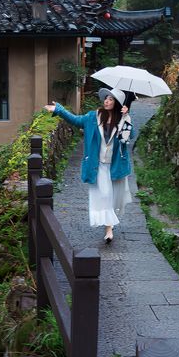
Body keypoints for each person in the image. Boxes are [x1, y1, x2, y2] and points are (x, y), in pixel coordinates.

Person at [44, 88, 133, 243]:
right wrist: (59, 110)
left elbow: (127, 139)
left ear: (117, 103)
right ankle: (109, 228)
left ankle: (109, 226)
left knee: (111, 197)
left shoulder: (123, 120)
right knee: (104, 194)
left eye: (111, 99)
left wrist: (126, 118)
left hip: (115, 165)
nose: (107, 101)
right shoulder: (93, 117)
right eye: (106, 98)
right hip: (97, 165)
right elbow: (75, 120)